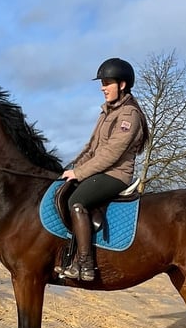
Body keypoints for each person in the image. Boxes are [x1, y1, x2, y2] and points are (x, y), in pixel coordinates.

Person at [57, 57, 150, 281]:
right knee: (64, 190)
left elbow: (111, 154)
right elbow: (91, 148)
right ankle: (69, 257)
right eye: (102, 83)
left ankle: (86, 264)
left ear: (122, 84)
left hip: (115, 175)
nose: (103, 88)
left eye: (107, 83)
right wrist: (71, 168)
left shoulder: (129, 115)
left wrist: (80, 174)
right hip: (100, 171)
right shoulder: (106, 112)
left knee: (76, 203)